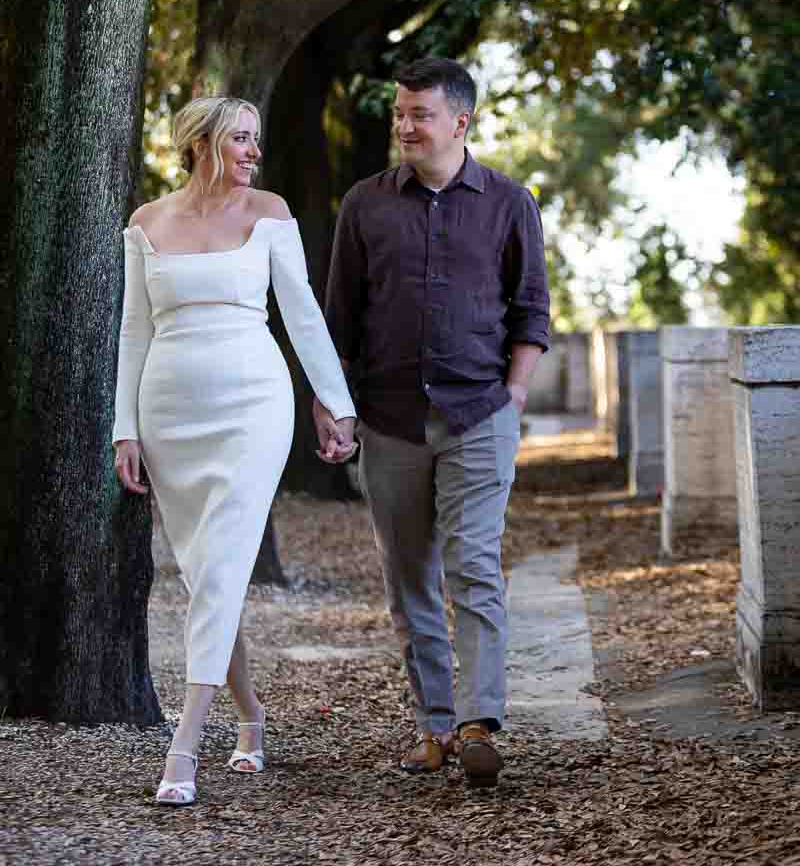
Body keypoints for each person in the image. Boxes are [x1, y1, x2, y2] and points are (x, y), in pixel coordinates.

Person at [113, 96, 356, 806]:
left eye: (257, 140)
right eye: (241, 139)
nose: (254, 151)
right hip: (169, 415)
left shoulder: (270, 213)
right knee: (205, 580)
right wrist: (124, 428)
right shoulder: (146, 223)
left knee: (220, 571)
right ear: (201, 142)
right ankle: (250, 718)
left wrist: (337, 403)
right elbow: (134, 331)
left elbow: (303, 314)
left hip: (253, 406)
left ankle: (183, 746)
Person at [320, 57, 549, 789]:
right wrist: (335, 407)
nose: (405, 126)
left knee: (473, 565)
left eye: (420, 114)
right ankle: (434, 726)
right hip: (388, 421)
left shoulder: (510, 203)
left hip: (479, 414)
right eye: (399, 113)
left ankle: (480, 723)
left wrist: (514, 394)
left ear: (461, 120)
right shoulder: (364, 203)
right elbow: (340, 319)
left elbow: (531, 310)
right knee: (408, 577)